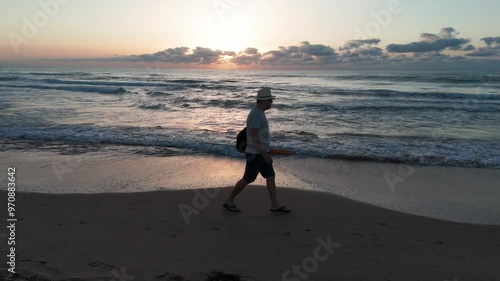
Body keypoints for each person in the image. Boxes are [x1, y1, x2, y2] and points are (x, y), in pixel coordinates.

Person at [223, 88, 291, 213]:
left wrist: (265, 151)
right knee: (248, 179)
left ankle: (274, 204)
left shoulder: (259, 112)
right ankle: (229, 200)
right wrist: (264, 153)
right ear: (264, 100)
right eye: (270, 100)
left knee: (270, 176)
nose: (271, 102)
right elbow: (253, 137)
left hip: (260, 152)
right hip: (255, 154)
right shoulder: (256, 114)